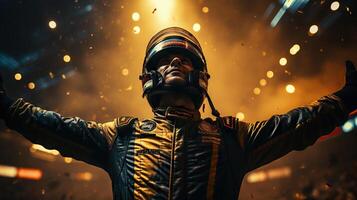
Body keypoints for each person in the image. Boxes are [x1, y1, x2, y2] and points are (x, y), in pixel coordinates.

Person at [0, 27, 356, 200]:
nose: (174, 62)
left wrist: (345, 99)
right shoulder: (119, 136)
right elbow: (51, 126)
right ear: (148, 77)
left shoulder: (233, 137)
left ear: (200, 77)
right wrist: (7, 107)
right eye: (164, 60)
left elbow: (300, 124)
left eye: (183, 60)